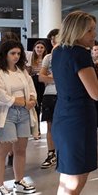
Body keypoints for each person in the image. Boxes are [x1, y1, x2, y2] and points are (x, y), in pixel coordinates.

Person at [52, 11, 98, 195]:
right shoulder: (79, 54)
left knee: (68, 181)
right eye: (90, 30)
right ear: (77, 31)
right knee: (73, 184)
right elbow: (95, 93)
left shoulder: (58, 52)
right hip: (77, 120)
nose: (94, 36)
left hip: (65, 117)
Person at [0, 40, 38, 195]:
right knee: (1, 152)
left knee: (21, 150)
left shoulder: (22, 71)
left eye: (18, 53)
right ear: (5, 54)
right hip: (6, 115)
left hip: (24, 114)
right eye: (12, 53)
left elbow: (31, 89)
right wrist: (23, 102)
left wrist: (30, 100)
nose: (16, 57)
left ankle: (19, 181)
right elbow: (2, 97)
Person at [39, 32, 58, 169]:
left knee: (63, 126)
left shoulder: (68, 55)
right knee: (50, 126)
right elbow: (41, 77)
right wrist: (57, 78)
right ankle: (51, 154)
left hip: (64, 95)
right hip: (49, 95)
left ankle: (63, 153)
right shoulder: (48, 57)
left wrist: (51, 77)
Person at [28, 40, 48, 140]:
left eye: (41, 47)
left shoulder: (47, 59)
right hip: (34, 82)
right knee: (35, 106)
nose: (39, 49)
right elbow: (28, 73)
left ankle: (40, 129)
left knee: (42, 105)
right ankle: (37, 130)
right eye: (38, 47)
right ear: (34, 48)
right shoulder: (31, 58)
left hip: (43, 83)